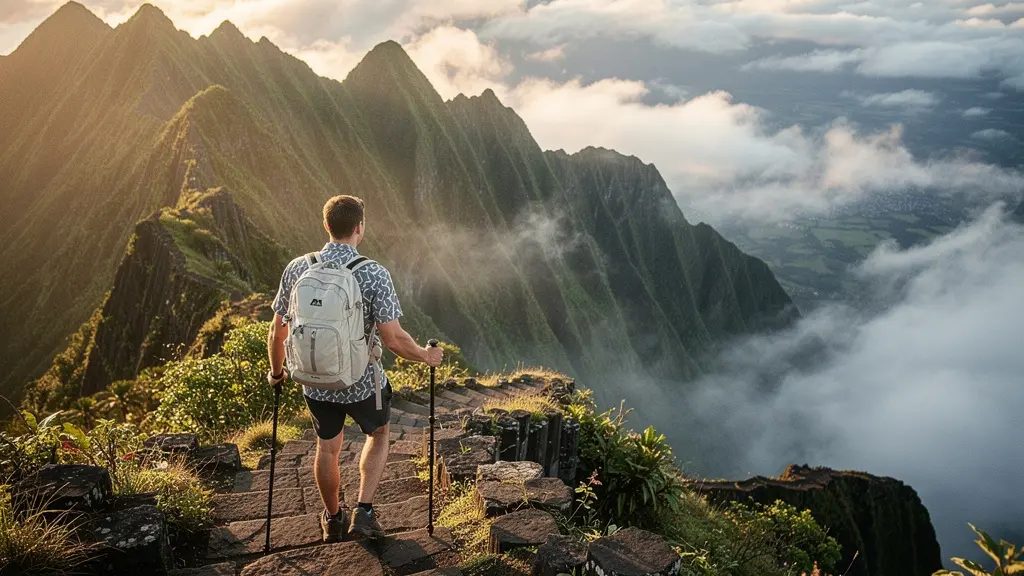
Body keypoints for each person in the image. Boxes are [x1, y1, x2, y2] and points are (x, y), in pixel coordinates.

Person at [266, 195, 443, 542]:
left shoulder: (298, 267)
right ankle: (363, 511)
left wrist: (276, 373)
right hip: (360, 382)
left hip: (313, 381)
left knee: (327, 448)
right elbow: (392, 338)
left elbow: (278, 330)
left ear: (326, 225)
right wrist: (425, 355)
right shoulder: (373, 273)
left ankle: (332, 518)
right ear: (359, 227)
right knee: (378, 435)